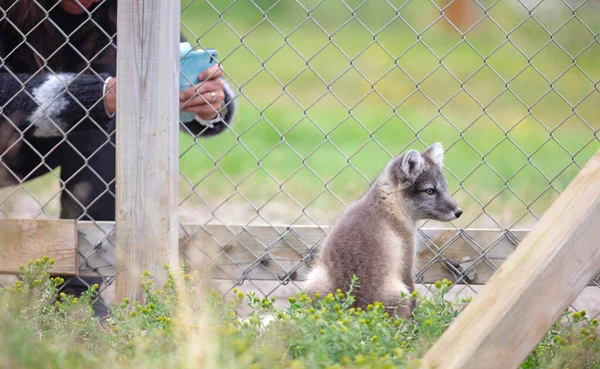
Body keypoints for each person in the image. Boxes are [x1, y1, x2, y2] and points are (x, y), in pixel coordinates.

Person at [0, 0, 237, 315]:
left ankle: (76, 298)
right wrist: (101, 96)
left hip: (55, 140)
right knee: (110, 101)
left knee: (115, 109)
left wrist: (210, 104)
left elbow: (184, 73)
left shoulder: (132, 7)